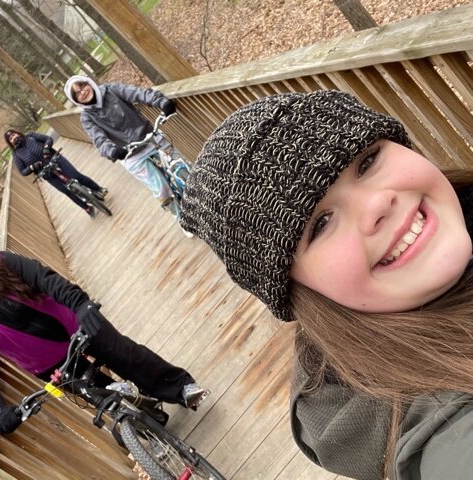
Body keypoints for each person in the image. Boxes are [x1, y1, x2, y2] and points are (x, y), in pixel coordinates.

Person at [179, 90, 473, 480]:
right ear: (297, 289)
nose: (376, 205)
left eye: (367, 162)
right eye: (320, 224)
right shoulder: (425, 422)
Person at [0, 236, 207, 434]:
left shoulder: (0, 262)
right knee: (101, 397)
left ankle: (180, 388)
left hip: (77, 323)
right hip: (49, 365)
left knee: (124, 354)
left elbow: (45, 279)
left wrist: (80, 304)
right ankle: (151, 429)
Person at [63, 75, 192, 235]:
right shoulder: (86, 118)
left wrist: (161, 102)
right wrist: (112, 150)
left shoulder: (111, 89)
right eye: (77, 93)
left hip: (150, 137)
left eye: (82, 86)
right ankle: (180, 217)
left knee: (182, 166)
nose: (82, 92)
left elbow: (138, 93)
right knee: (161, 189)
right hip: (129, 155)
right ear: (76, 100)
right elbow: (99, 140)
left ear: (89, 83)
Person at [4, 128, 108, 219]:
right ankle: (86, 208)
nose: (14, 138)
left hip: (55, 159)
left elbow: (48, 139)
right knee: (66, 191)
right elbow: (23, 171)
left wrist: (46, 148)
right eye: (11, 138)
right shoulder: (16, 154)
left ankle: (98, 189)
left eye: (13, 135)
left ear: (17, 133)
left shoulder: (30, 136)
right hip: (45, 173)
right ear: (10, 143)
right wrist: (33, 167)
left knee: (76, 175)